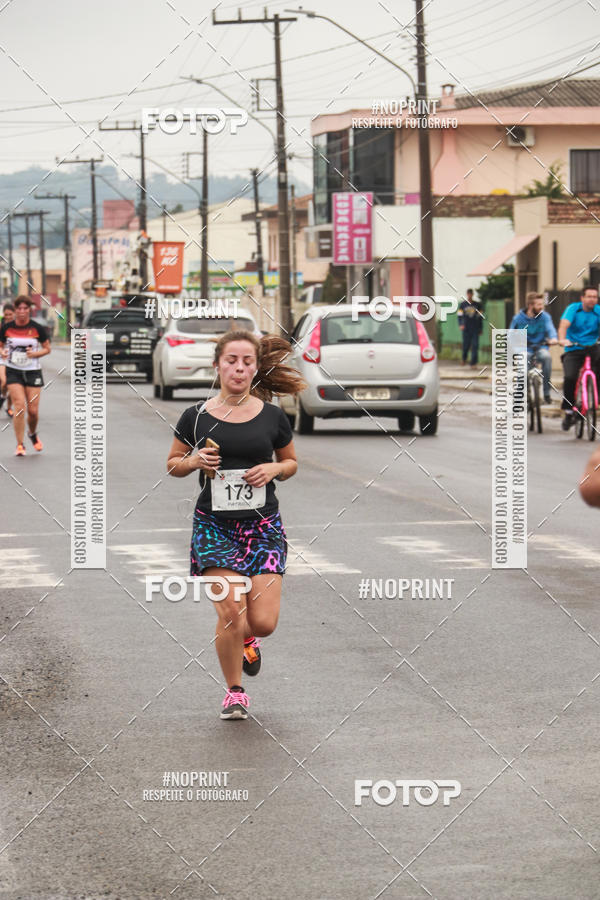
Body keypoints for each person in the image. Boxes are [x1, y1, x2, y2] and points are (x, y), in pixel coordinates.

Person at [166, 329, 306, 721]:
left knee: (262, 622)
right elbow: (173, 464)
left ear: (256, 368)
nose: (239, 368)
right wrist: (194, 462)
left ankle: (248, 638)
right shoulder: (194, 416)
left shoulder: (273, 417)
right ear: (217, 365)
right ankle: (235, 691)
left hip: (263, 528)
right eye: (231, 361)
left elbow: (292, 463)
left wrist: (275, 468)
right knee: (230, 610)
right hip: (214, 527)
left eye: (247, 362)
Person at [0, 296, 51, 455]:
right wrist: (3, 352)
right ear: (15, 310)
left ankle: (32, 433)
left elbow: (47, 348)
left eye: (25, 308)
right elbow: (0, 347)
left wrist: (34, 354)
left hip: (33, 371)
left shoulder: (37, 328)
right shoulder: (7, 328)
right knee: (20, 406)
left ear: (30, 310)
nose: (22, 312)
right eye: (19, 309)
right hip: (13, 370)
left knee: (33, 411)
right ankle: (20, 445)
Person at [557, 286, 600, 431]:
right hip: (574, 348)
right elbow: (564, 325)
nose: (592, 299)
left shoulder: (598, 310)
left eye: (595, 297)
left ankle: (596, 400)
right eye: (589, 296)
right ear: (582, 298)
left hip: (593, 347)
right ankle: (569, 410)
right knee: (570, 377)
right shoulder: (573, 309)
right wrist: (562, 339)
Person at [509, 291, 558, 403]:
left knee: (547, 358)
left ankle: (546, 393)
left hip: (540, 347)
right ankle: (520, 394)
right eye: (539, 305)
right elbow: (511, 334)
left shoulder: (545, 317)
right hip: (523, 348)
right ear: (531, 306)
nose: (542, 307)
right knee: (523, 365)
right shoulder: (518, 319)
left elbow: (550, 329)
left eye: (542, 305)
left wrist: (553, 338)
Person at [458, 288, 483, 367]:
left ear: (472, 294)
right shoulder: (463, 305)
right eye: (468, 294)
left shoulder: (477, 305)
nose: (470, 295)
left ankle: (473, 363)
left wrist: (480, 328)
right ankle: (464, 359)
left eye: (471, 294)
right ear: (467, 294)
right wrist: (461, 324)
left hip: (475, 328)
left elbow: (480, 317)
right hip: (466, 328)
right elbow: (459, 316)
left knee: (475, 345)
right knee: (466, 345)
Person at [0, 302, 15, 417]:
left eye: (10, 314)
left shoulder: (19, 326)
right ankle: (3, 397)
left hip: (16, 359)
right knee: (5, 382)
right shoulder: (1, 327)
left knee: (13, 386)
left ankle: (9, 407)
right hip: (2, 358)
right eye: (6, 315)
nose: (8, 317)